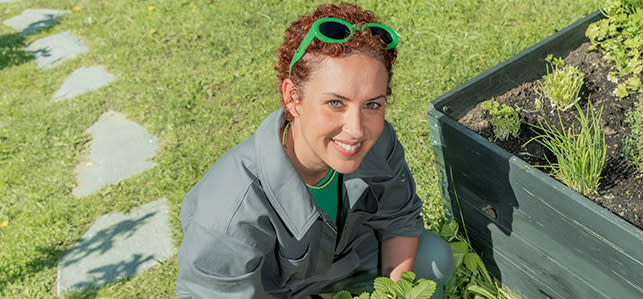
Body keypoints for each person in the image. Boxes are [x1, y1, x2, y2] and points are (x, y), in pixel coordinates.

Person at [174, 3, 453, 298]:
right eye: (335, 103)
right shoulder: (230, 209)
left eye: (372, 104)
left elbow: (399, 219)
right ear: (293, 98)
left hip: (345, 261)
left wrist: (395, 293)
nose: (357, 130)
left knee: (433, 260)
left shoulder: (378, 142)